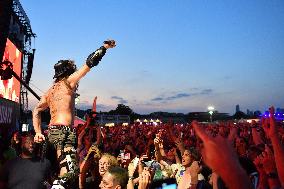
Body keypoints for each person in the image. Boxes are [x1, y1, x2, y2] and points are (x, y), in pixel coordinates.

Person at [32, 39, 116, 188]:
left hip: (52, 132)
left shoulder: (49, 92)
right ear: (67, 72)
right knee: (72, 171)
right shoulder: (67, 82)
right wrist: (104, 48)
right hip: (64, 132)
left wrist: (38, 132)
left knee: (64, 170)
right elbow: (89, 63)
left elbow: (36, 110)